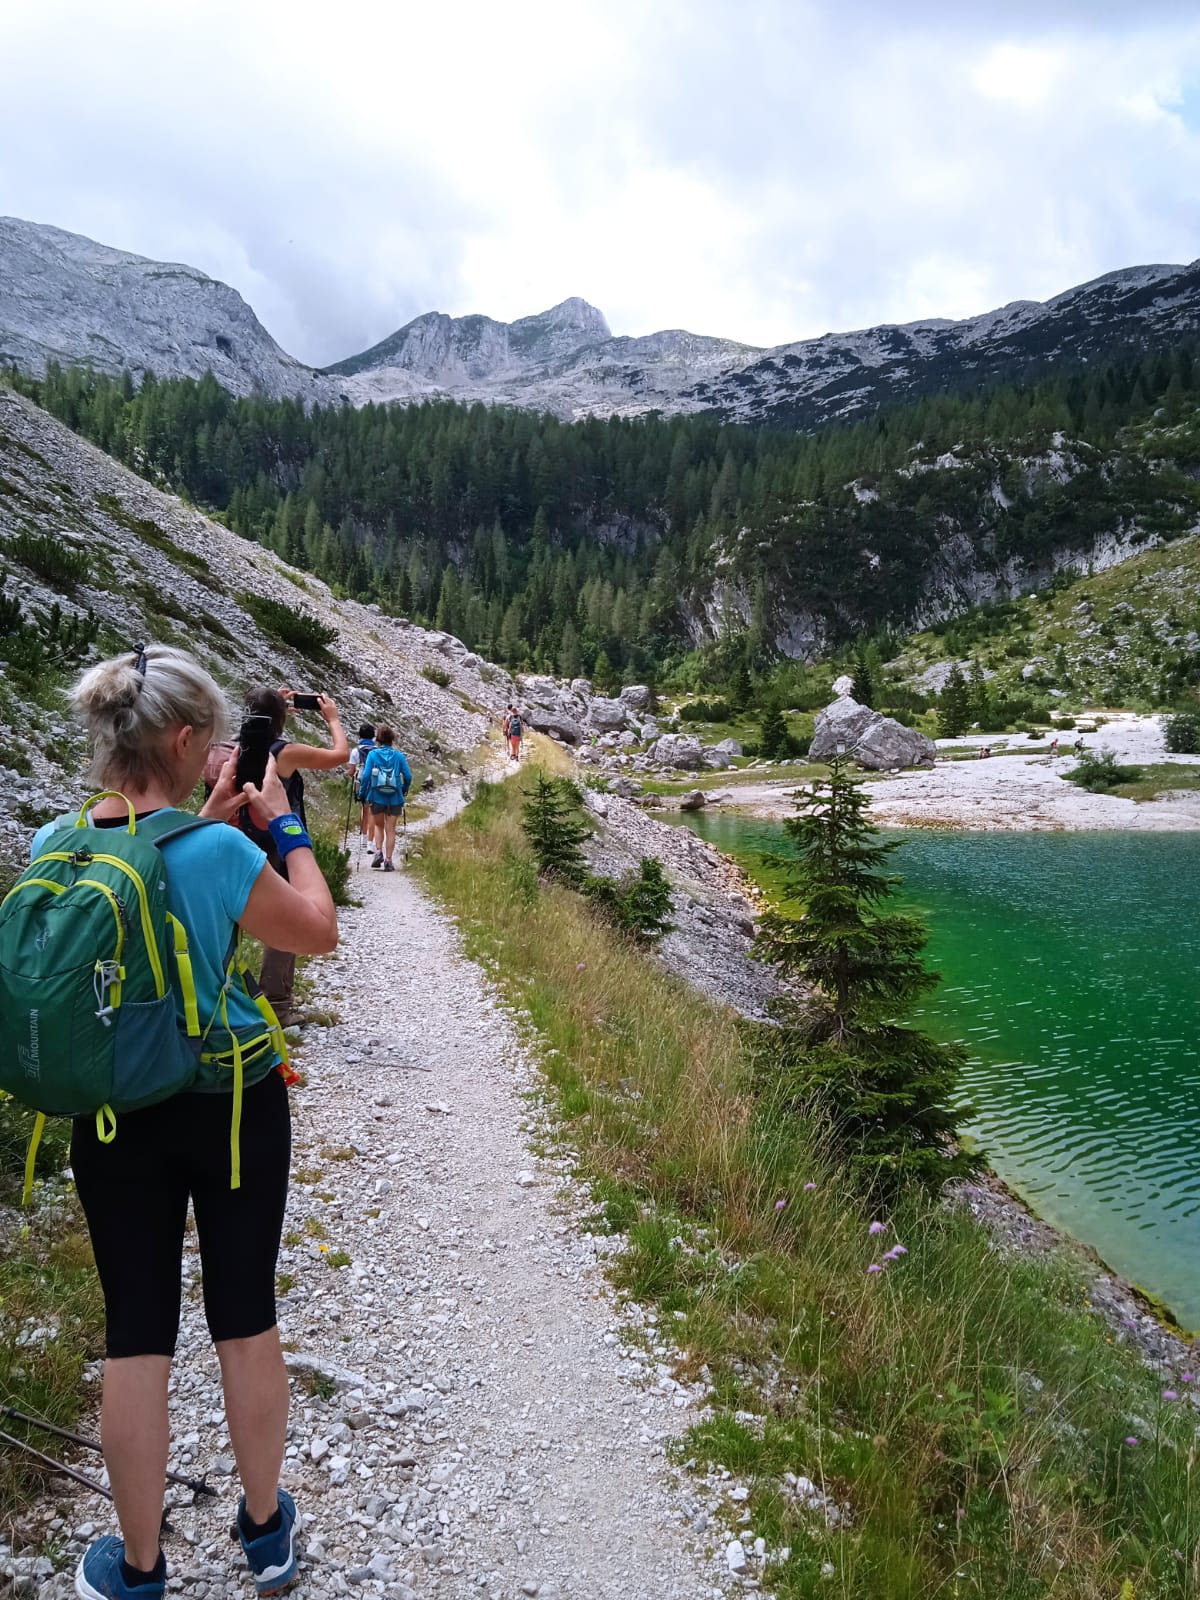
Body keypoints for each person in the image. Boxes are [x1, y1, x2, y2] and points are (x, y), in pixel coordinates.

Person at [47, 645, 337, 1600]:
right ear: (182, 740)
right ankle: (264, 1533)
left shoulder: (59, 843)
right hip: (233, 1105)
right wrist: (284, 825)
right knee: (244, 1314)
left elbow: (150, 865)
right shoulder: (218, 850)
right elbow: (315, 928)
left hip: (115, 1112)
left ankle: (136, 1567)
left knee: (137, 1330)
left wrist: (209, 821)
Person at [243, 687, 348, 1026]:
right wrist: (331, 719)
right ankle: (276, 1004)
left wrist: (274, 707)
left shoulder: (229, 746)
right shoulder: (284, 752)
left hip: (235, 839)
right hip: (277, 844)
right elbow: (340, 755)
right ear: (280, 718)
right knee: (284, 920)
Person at [358, 724, 411, 871]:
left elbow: (367, 775)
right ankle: (388, 861)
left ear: (378, 740)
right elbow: (408, 776)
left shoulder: (373, 755)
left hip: (377, 796)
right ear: (392, 740)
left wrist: (362, 793)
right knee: (391, 829)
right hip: (395, 797)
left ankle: (378, 852)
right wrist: (403, 789)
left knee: (378, 826)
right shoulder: (399, 756)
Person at [347, 721, 377, 851]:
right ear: (373, 737)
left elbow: (351, 772)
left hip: (361, 782)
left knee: (364, 811)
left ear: (360, 736)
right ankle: (371, 842)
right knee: (372, 812)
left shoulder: (355, 751)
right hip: (375, 782)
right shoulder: (377, 751)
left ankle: (363, 838)